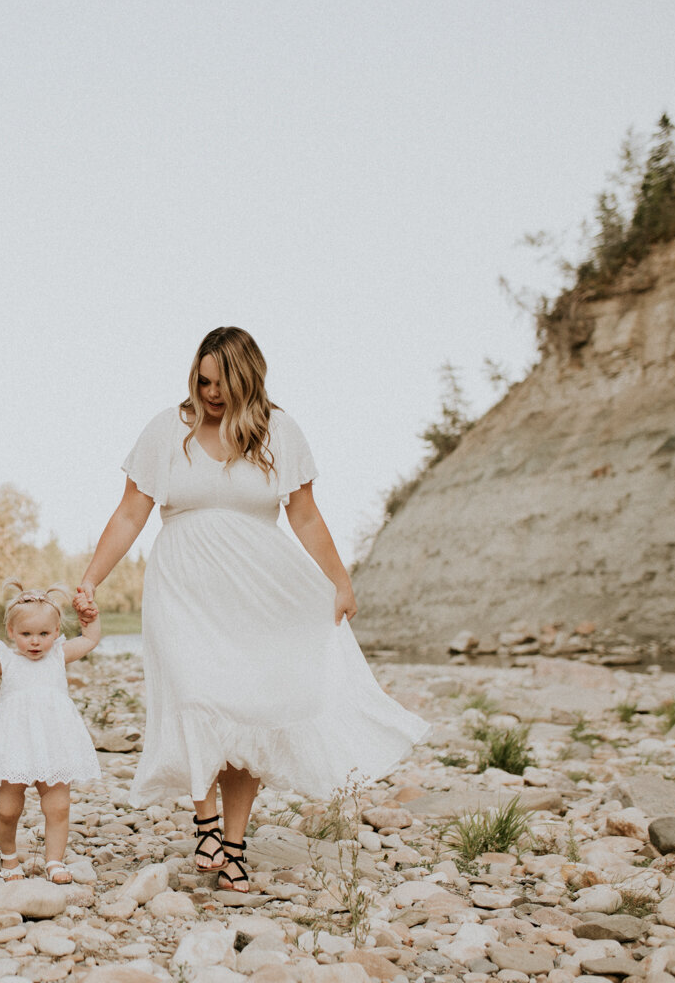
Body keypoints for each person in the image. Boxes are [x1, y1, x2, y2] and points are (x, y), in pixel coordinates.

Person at [75, 326, 429, 893]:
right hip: (184, 585)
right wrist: (91, 579)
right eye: (203, 380)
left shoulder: (279, 431)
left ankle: (235, 845)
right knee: (194, 695)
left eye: (224, 383)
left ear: (250, 379)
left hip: (260, 588)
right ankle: (204, 820)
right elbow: (129, 514)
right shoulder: (168, 429)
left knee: (247, 711)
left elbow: (306, 515)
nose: (211, 393)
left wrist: (340, 581)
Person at [0, 582, 101, 884]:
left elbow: (91, 639)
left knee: (58, 805)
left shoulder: (58, 654)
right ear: (12, 633)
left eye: (44, 634)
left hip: (53, 741)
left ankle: (54, 860)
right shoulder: (7, 659)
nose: (35, 642)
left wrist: (90, 618)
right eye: (26, 634)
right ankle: (9, 857)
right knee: (7, 808)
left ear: (56, 633)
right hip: (15, 742)